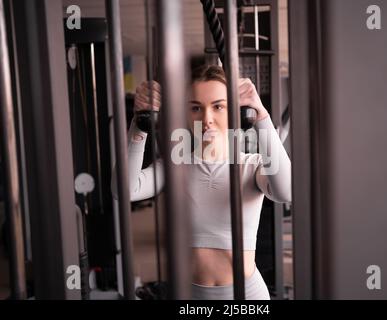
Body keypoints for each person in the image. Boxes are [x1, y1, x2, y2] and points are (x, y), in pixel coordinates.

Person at [118, 64, 291, 300]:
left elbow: (286, 191)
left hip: (247, 296)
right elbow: (124, 190)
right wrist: (140, 124)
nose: (207, 119)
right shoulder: (174, 166)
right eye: (196, 108)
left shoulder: (253, 165)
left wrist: (262, 117)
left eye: (218, 106)